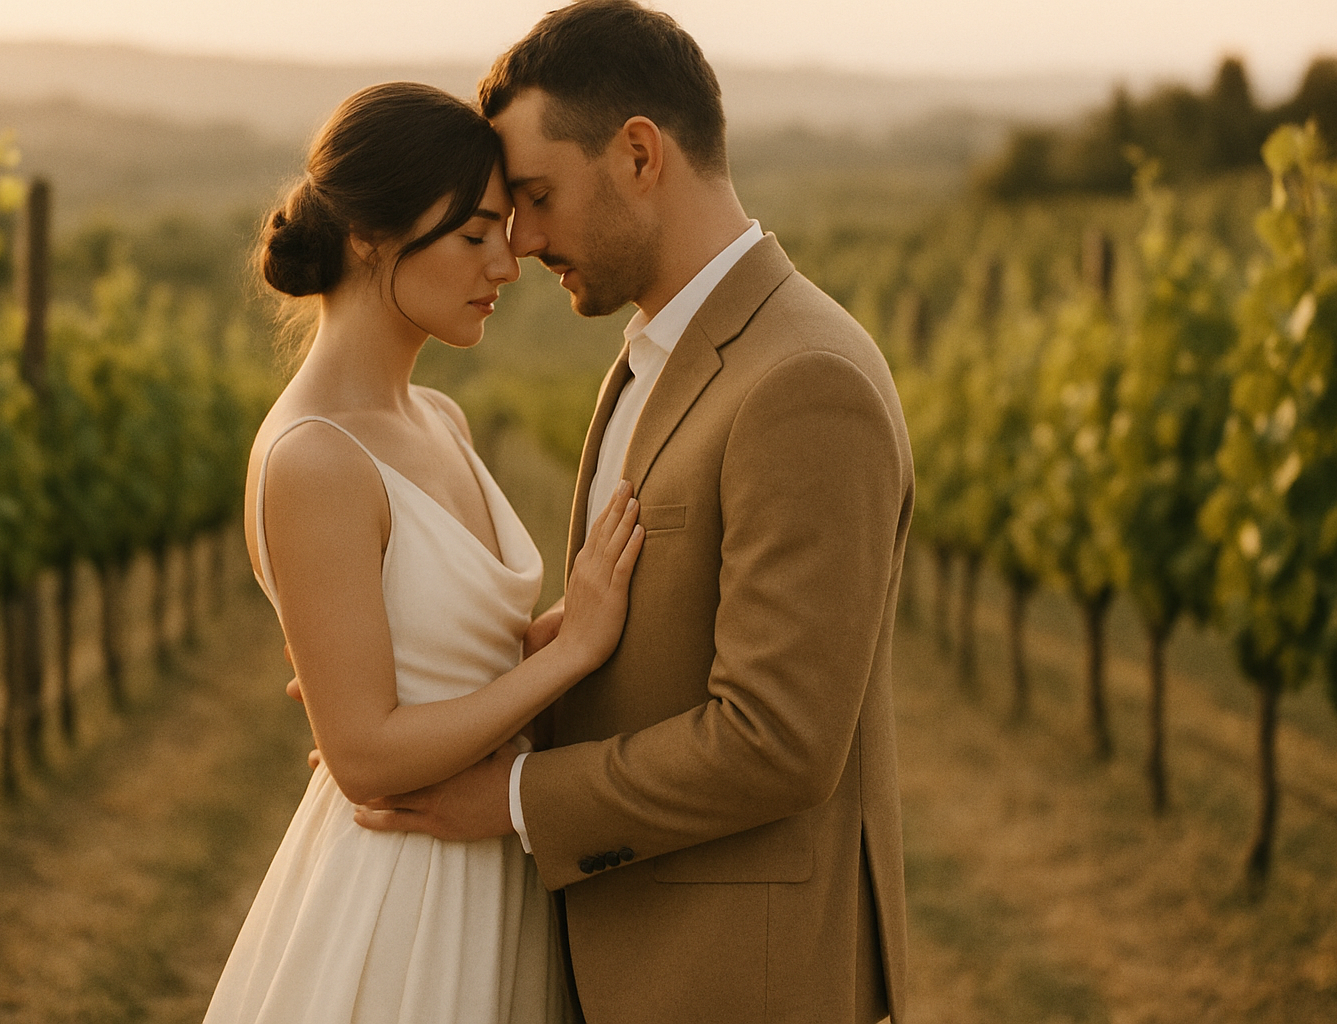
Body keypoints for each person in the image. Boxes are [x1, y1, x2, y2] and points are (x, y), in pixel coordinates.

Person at [347, 3, 914, 1023]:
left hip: (742, 981)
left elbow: (776, 740)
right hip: (641, 960)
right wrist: (427, 678)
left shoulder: (804, 381)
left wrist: (514, 800)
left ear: (640, 155)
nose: (519, 239)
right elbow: (646, 649)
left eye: (536, 194)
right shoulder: (661, 353)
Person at [203, 81, 644, 1024]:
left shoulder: (436, 418)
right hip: (404, 890)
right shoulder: (316, 456)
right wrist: (571, 653)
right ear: (371, 237)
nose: (509, 262)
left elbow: (451, 663)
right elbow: (363, 755)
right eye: (476, 234)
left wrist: (557, 631)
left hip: (497, 862)